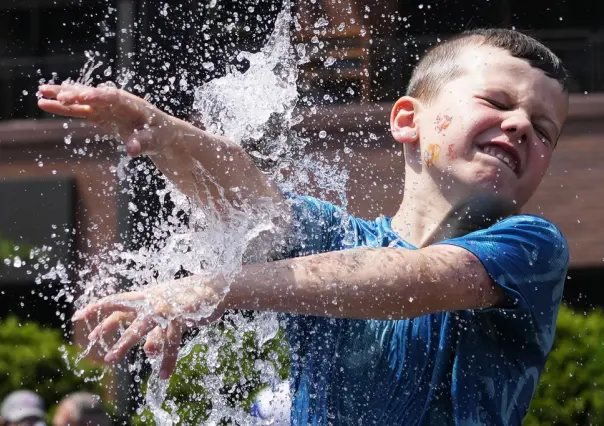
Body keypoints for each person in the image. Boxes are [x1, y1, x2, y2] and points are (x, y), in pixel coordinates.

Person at [38, 28, 570, 425]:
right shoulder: (335, 239)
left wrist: (216, 289)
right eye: (496, 102)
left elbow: (415, 280)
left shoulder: (531, 248)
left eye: (544, 131)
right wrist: (164, 133)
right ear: (408, 120)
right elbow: (247, 201)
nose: (522, 124)